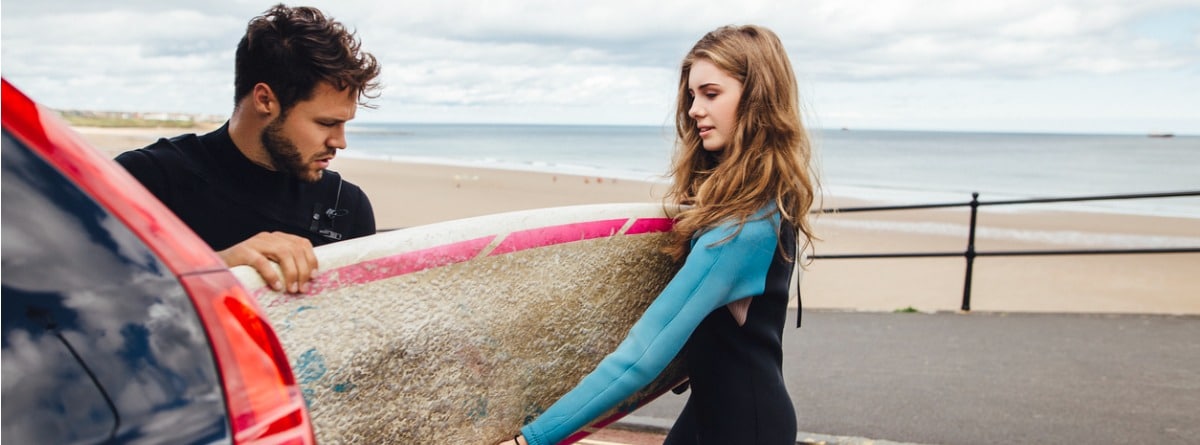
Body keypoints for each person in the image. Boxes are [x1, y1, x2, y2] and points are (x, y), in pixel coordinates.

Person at [500, 24, 818, 445]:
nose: (693, 110)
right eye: (691, 96)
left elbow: (641, 356)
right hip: (712, 413)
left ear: (756, 97)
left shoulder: (743, 228)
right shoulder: (758, 200)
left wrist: (532, 440)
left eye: (710, 93)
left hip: (745, 428)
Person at [116, 4, 381, 294]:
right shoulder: (146, 180)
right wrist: (217, 268)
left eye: (344, 124)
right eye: (326, 123)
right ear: (265, 99)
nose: (339, 142)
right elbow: (85, 299)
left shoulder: (346, 207)